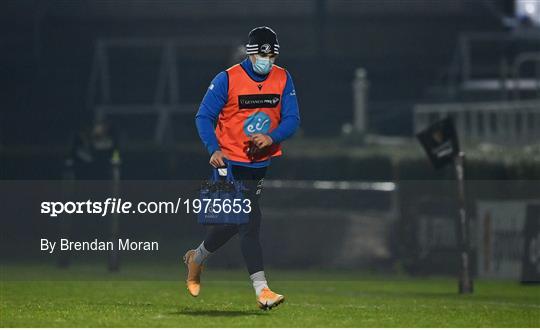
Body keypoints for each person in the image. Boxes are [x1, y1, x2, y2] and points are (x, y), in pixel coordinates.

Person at [184, 26, 300, 310]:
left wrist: (272, 137)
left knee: (233, 222)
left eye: (271, 55)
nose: (267, 60)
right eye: (262, 54)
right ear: (250, 53)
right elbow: (203, 116)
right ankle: (262, 290)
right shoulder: (227, 79)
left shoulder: (283, 78)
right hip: (229, 163)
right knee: (249, 220)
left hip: (259, 163)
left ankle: (196, 258)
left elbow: (292, 118)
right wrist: (214, 149)